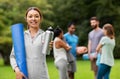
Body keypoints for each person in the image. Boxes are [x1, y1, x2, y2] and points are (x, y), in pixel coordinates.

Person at [10, 7, 52, 79]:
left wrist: (50, 46)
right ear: (26, 19)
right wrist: (17, 70)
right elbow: (13, 56)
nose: (33, 19)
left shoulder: (45, 35)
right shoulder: (20, 37)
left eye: (36, 16)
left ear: (40, 19)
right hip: (25, 76)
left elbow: (48, 49)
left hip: (42, 76)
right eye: (30, 16)